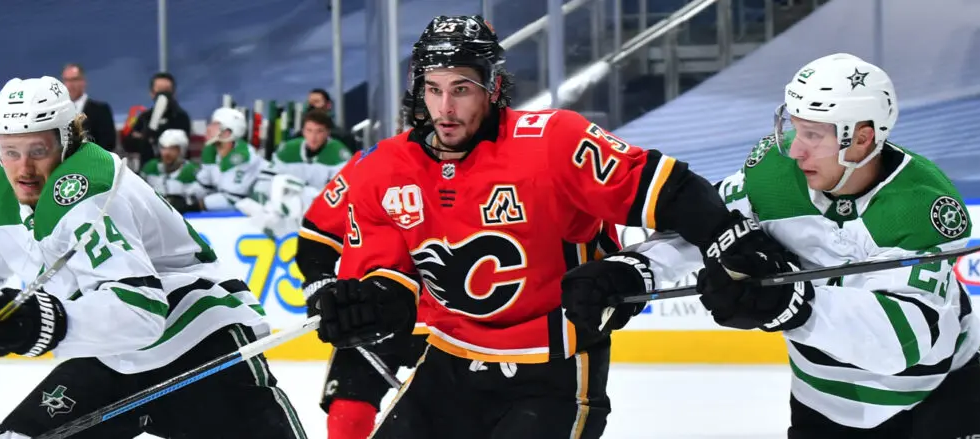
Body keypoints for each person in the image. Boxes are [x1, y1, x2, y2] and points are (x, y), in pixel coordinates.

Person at [308, 15, 744, 438]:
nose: (444, 108)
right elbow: (390, 279)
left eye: (461, 89)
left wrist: (734, 245)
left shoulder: (553, 141)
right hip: (448, 362)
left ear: (494, 87)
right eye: (433, 89)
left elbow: (671, 192)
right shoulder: (386, 166)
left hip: (550, 370)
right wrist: (366, 306)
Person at [573, 53, 980, 439]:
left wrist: (791, 303)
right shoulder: (774, 174)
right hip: (823, 403)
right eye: (794, 128)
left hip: (942, 398)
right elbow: (707, 228)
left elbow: (903, 342)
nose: (796, 150)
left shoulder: (922, 206)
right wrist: (635, 270)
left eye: (814, 136)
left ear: (862, 138)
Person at [0, 76, 307, 438]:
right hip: (111, 356)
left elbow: (142, 313)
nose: (23, 169)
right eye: (10, 150)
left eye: (38, 150)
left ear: (67, 141)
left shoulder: (91, 191)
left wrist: (43, 324)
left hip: (197, 342)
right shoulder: (1, 198)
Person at [296, 150, 430, 439]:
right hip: (369, 312)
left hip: (448, 323)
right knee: (348, 412)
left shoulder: (472, 164)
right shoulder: (368, 162)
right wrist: (320, 284)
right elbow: (315, 236)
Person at [195, 107, 266, 212]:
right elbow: (203, 186)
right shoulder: (212, 152)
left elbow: (233, 200)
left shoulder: (243, 155)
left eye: (215, 125)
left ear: (227, 132)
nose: (209, 128)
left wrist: (197, 205)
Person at [123, 72, 192, 165]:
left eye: (166, 90)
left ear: (174, 93)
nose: (163, 94)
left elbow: (178, 143)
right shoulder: (145, 116)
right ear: (151, 93)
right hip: (147, 167)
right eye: (159, 90)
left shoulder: (181, 116)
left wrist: (145, 136)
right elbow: (130, 144)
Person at [140, 128, 202, 213]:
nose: (166, 153)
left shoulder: (191, 171)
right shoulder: (150, 168)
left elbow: (196, 201)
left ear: (181, 150)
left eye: (172, 149)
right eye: (164, 148)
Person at [61, 63, 117, 152]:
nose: (70, 85)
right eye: (67, 80)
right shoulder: (59, 111)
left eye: (74, 80)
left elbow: (108, 143)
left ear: (83, 82)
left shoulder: (100, 110)